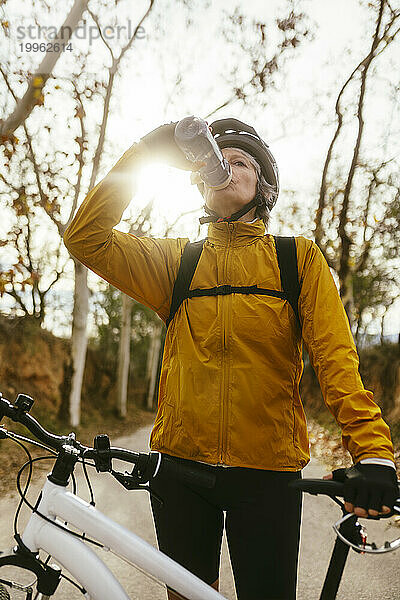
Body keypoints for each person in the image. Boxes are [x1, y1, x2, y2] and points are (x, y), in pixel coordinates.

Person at [63, 118, 398, 600]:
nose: (222, 166)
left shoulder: (296, 259)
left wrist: (373, 452)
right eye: (213, 160)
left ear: (263, 184)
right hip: (179, 470)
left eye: (239, 161)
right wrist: (145, 152)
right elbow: (85, 238)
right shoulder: (177, 262)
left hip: (267, 476)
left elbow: (336, 361)